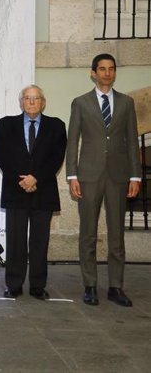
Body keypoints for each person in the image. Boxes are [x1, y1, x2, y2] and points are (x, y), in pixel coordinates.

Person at [66, 53, 141, 307]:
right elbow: (72, 140)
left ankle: (115, 287)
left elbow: (132, 140)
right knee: (88, 233)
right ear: (93, 73)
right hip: (87, 176)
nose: (107, 73)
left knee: (116, 234)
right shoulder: (80, 103)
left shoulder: (126, 103)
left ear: (114, 72)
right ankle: (89, 285)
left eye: (111, 69)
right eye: (102, 69)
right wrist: (72, 175)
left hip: (118, 177)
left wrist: (135, 175)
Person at [0, 85, 66, 300]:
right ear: (21, 102)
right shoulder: (6, 125)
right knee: (15, 241)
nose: (32, 102)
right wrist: (24, 180)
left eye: (36, 98)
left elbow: (56, 158)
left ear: (43, 102)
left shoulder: (56, 126)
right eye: (27, 98)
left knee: (39, 241)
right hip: (16, 190)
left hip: (43, 190)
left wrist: (35, 178)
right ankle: (14, 285)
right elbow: (3, 157)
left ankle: (37, 286)